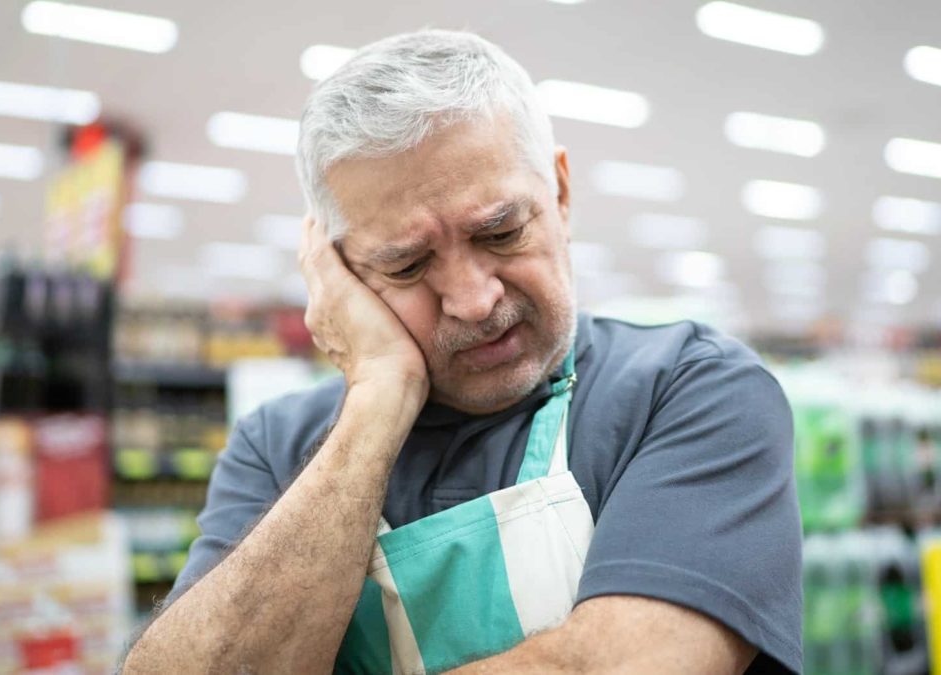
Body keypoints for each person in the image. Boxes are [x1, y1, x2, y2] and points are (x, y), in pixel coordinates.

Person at [122, 29, 802, 675]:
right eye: (408, 264)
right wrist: (378, 396)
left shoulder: (685, 389)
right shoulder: (278, 446)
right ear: (339, 273)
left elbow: (632, 660)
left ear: (560, 194)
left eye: (501, 232)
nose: (473, 300)